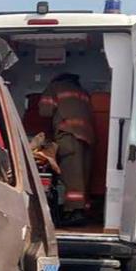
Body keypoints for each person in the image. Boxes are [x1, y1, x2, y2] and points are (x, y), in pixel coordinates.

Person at [39, 73, 95, 226]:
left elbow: (44, 111)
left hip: (68, 135)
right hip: (88, 137)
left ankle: (73, 212)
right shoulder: (82, 92)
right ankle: (83, 208)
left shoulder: (55, 87)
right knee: (83, 175)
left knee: (71, 176)